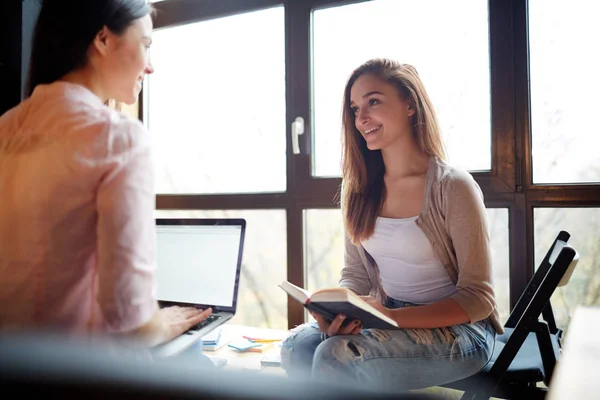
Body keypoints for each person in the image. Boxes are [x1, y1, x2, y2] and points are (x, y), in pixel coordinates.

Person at [281, 58, 504, 391]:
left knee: (338, 356)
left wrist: (392, 318)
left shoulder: (453, 187)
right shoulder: (357, 190)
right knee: (295, 347)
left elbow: (477, 299)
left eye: (373, 101)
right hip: (386, 313)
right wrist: (339, 315)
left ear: (410, 104)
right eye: (355, 108)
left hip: (463, 329)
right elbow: (355, 276)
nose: (362, 118)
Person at [0, 0, 211, 349]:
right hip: (77, 376)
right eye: (145, 45)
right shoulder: (120, 139)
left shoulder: (4, 128)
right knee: (198, 353)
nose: (150, 67)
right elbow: (131, 327)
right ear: (102, 39)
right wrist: (162, 322)